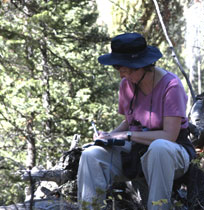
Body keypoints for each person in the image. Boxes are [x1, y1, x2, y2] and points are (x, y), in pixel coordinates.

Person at [77, 32, 196, 210]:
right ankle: (89, 207)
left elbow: (169, 136)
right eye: (119, 70)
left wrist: (127, 135)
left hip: (172, 152)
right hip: (137, 151)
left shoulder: (171, 86)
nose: (121, 76)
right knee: (91, 155)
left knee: (159, 148)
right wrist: (110, 136)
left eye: (124, 70)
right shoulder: (127, 85)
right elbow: (129, 121)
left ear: (141, 66)